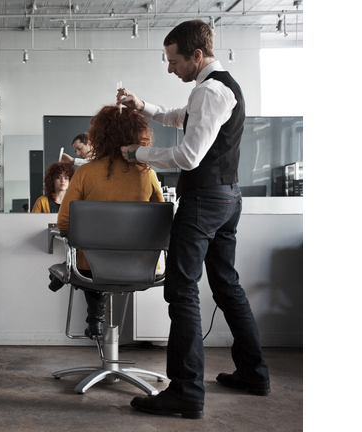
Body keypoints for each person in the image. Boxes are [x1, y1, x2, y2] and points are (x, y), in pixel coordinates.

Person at [117, 20, 270, 419]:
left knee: (181, 290)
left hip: (204, 201)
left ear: (196, 56)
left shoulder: (210, 90)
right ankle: (254, 373)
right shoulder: (217, 88)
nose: (170, 68)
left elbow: (187, 157)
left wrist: (138, 154)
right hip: (228, 198)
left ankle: (185, 391)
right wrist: (141, 106)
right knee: (226, 284)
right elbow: (175, 116)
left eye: (173, 61)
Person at [55, 105, 163, 338]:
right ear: (138, 134)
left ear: (98, 137)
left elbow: (63, 223)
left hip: (92, 270)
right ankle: (97, 318)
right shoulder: (148, 173)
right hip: (140, 268)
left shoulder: (85, 173)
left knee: (90, 266)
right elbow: (161, 224)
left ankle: (95, 317)